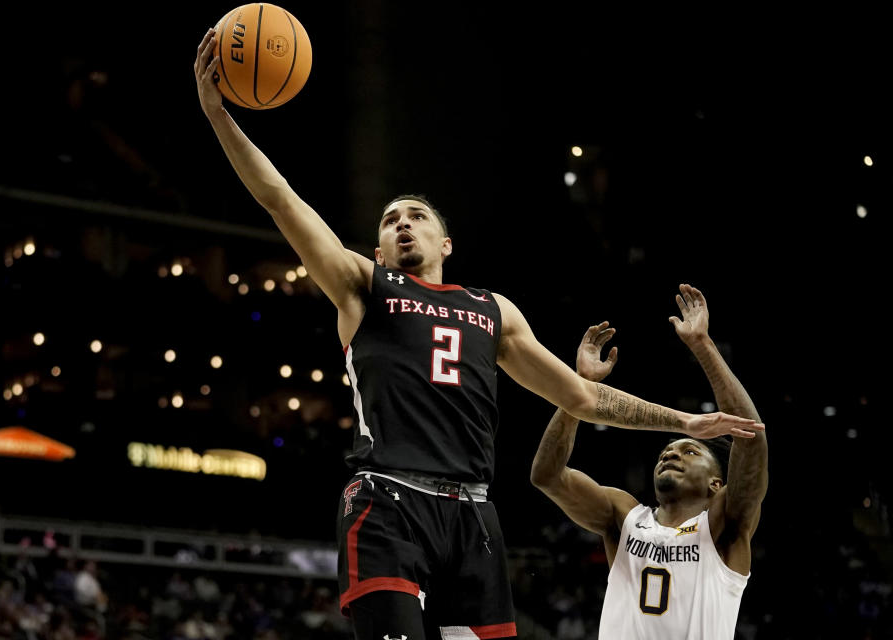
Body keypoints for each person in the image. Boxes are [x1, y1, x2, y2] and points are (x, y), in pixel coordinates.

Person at [193, 31, 763, 640]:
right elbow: (281, 201)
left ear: (445, 243)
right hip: (388, 501)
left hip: (473, 516)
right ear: (380, 246)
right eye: (389, 221)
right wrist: (219, 116)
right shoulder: (363, 286)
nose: (400, 224)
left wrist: (685, 421)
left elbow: (581, 397)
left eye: (415, 216)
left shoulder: (493, 311)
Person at [531, 284, 768, 639]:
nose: (671, 453)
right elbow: (547, 476)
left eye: (690, 451)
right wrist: (578, 393)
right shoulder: (624, 516)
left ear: (716, 484)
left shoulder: (724, 528)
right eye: (666, 453)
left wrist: (703, 346)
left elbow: (751, 436)